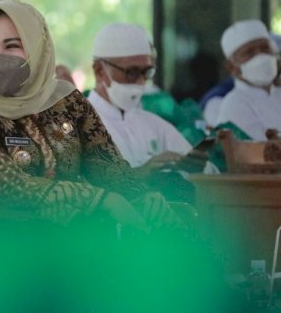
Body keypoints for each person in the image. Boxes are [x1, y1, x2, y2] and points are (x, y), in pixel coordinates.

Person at [0, 0, 180, 232]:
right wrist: (100, 200)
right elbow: (5, 184)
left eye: (12, 45)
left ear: (38, 49)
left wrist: (141, 196)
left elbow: (107, 166)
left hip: (79, 237)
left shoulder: (66, 101)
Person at [88, 22, 212, 202]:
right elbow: (78, 191)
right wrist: (141, 174)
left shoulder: (154, 125)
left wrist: (197, 167)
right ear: (99, 71)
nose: (140, 81)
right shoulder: (76, 123)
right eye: (131, 72)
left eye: (146, 72)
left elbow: (207, 176)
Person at [216, 20, 281, 140]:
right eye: (249, 52)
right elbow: (262, 153)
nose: (261, 56)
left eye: (265, 48)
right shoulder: (235, 104)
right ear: (231, 67)